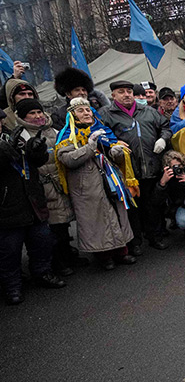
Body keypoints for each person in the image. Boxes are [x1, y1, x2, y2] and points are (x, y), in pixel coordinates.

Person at [55, 98, 137, 270]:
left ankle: (122, 251)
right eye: (81, 111)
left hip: (109, 180)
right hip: (86, 185)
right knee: (95, 219)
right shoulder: (66, 135)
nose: (86, 113)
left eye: (88, 110)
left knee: (116, 212)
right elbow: (67, 159)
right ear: (73, 115)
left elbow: (114, 152)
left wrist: (117, 152)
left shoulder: (101, 129)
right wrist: (90, 147)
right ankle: (103, 255)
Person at [0, 106, 66, 305]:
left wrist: (36, 151)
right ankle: (12, 286)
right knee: (9, 251)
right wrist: (5, 153)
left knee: (42, 241)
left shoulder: (14, 136)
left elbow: (35, 163)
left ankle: (43, 273)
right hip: (6, 206)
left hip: (32, 200)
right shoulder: (7, 143)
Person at [14, 99, 88, 277]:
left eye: (39, 112)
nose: (38, 116)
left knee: (63, 224)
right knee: (51, 228)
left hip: (60, 182)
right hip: (42, 186)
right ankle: (57, 262)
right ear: (23, 117)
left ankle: (68, 255)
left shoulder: (55, 130)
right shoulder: (22, 136)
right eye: (32, 113)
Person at [100, 80, 172, 254]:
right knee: (132, 208)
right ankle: (135, 242)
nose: (126, 95)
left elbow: (166, 127)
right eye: (121, 92)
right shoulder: (106, 114)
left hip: (150, 166)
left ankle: (155, 237)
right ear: (113, 95)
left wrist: (163, 138)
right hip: (126, 170)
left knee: (152, 205)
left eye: (129, 91)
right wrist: (112, 143)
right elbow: (100, 135)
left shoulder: (148, 111)